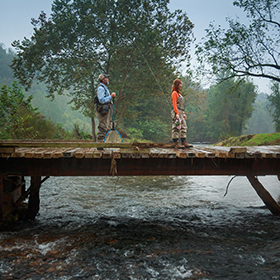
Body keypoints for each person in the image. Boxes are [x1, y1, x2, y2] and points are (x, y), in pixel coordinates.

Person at [171, 78, 193, 148]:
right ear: (177, 85)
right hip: (176, 112)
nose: (181, 86)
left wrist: (183, 113)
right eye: (180, 84)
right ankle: (176, 143)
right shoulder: (174, 93)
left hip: (180, 111)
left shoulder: (179, 94)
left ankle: (183, 142)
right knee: (176, 127)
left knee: (184, 126)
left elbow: (181, 105)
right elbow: (174, 104)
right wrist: (176, 113)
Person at [96, 73, 116, 142]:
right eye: (106, 78)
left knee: (108, 126)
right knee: (102, 127)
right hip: (103, 111)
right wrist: (111, 96)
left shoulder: (105, 88)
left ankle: (105, 144)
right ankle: (100, 145)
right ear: (102, 79)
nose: (108, 79)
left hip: (107, 111)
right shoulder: (101, 88)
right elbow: (101, 100)